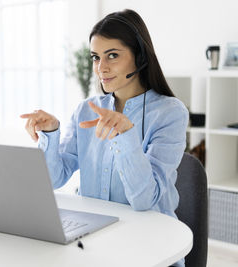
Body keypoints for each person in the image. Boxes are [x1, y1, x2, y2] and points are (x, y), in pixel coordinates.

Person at [21, 9, 188, 267]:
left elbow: (145, 199)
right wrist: (51, 134)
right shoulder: (86, 109)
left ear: (140, 56)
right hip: (96, 241)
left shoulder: (170, 113)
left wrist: (126, 136)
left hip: (150, 245)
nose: (101, 68)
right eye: (96, 57)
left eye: (112, 55)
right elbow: (55, 178)